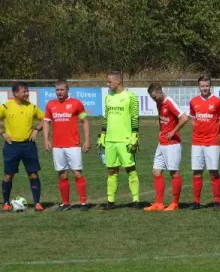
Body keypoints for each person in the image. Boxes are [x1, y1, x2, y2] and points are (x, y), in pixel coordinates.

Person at [42, 80, 91, 211]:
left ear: (67, 89)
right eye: (57, 90)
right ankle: (65, 203)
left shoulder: (77, 103)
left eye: (62, 90)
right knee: (62, 174)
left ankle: (83, 203)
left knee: (77, 173)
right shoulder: (50, 104)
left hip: (73, 144)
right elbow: (46, 122)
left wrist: (87, 140)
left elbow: (85, 121)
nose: (59, 92)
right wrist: (46, 139)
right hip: (57, 146)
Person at [96, 71, 141, 210]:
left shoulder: (130, 97)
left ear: (118, 82)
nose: (107, 84)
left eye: (109, 82)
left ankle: (136, 200)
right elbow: (106, 118)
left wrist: (135, 135)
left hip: (125, 140)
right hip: (110, 141)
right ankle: (110, 201)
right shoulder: (108, 97)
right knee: (111, 171)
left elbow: (135, 118)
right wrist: (102, 134)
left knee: (130, 169)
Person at [0, 82, 45, 211]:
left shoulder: (32, 107)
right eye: (24, 91)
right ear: (15, 93)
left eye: (27, 91)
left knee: (33, 174)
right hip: (11, 146)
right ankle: (6, 203)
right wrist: (3, 132)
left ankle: (37, 203)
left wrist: (36, 129)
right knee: (9, 175)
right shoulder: (6, 107)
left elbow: (46, 119)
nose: (27, 94)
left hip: (28, 146)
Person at [144, 84, 188, 212]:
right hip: (162, 142)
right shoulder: (159, 103)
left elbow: (184, 118)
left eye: (155, 97)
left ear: (160, 92)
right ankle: (159, 203)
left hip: (172, 144)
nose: (154, 100)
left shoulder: (169, 102)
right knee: (156, 172)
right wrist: (161, 131)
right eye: (152, 98)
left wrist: (174, 131)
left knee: (174, 173)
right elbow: (164, 120)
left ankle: (175, 203)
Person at [189, 75, 220, 210]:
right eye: (202, 86)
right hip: (197, 142)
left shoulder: (217, 102)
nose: (204, 88)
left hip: (212, 141)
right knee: (197, 171)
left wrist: (215, 133)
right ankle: (196, 202)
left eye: (206, 86)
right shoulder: (193, 101)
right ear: (198, 87)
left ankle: (217, 202)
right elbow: (192, 118)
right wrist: (198, 129)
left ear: (210, 86)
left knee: (213, 171)